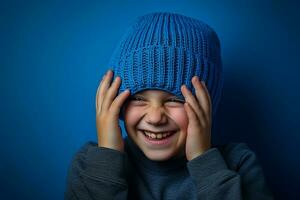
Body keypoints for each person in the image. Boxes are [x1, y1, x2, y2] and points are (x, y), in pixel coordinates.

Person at [64, 12, 274, 200]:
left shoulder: (238, 164)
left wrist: (204, 162)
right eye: (138, 97)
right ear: (113, 102)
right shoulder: (90, 166)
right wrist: (107, 158)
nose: (155, 118)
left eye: (175, 99)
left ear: (207, 104)